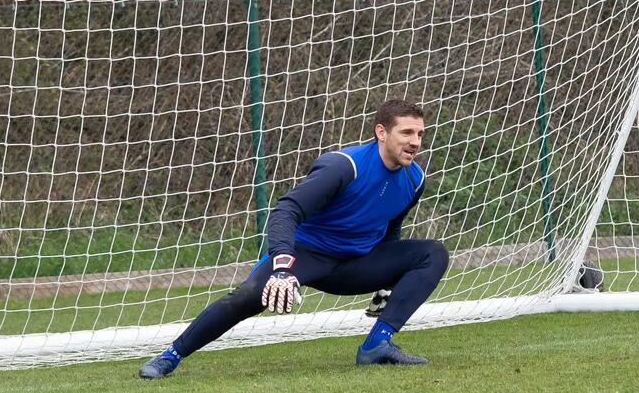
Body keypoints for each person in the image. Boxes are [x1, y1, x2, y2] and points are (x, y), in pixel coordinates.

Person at [137, 98, 449, 378]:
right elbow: (287, 211)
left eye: (420, 134)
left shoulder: (415, 179)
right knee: (247, 296)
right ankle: (170, 356)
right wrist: (283, 267)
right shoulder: (344, 166)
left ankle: (376, 346)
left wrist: (388, 282)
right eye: (406, 133)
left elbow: (390, 227)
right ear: (382, 132)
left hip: (356, 265)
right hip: (306, 255)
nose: (415, 141)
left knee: (433, 253)